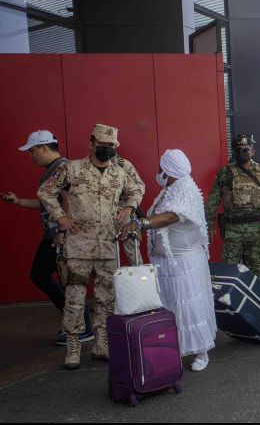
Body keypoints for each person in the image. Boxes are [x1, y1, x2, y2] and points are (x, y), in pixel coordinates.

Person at [38, 124, 143, 370]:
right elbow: (46, 191)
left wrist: (129, 206)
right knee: (74, 299)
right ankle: (73, 345)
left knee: (106, 300)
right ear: (91, 144)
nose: (107, 149)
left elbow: (137, 188)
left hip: (108, 247)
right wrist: (60, 217)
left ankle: (102, 344)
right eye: (102, 145)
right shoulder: (71, 168)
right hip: (78, 247)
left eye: (111, 146)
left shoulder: (119, 172)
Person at [120, 150, 217, 372]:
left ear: (169, 170)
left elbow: (172, 216)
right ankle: (174, 348)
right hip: (165, 261)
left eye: (161, 169)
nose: (158, 173)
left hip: (184, 264)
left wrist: (141, 224)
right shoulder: (169, 190)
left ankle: (201, 351)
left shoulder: (186, 190)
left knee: (188, 306)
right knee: (169, 306)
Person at [2, 130, 93, 345]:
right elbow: (47, 203)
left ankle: (80, 327)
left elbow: (70, 200)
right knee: (59, 279)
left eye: (32, 151)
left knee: (62, 279)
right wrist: (19, 202)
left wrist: (62, 233)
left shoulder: (62, 168)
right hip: (55, 234)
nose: (30, 156)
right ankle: (77, 323)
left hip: (61, 236)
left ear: (44, 148)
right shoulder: (54, 169)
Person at [205, 135, 260, 277]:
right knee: (229, 270)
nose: (243, 153)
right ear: (234, 152)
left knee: (255, 271)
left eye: (246, 149)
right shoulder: (225, 173)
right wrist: (210, 225)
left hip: (256, 230)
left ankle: (252, 298)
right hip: (232, 231)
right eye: (239, 150)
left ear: (252, 151)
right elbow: (212, 201)